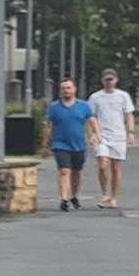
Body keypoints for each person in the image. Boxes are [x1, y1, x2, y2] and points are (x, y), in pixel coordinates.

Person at [86, 68, 137, 213]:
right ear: (102, 81)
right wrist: (92, 134)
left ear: (116, 80)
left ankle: (114, 197)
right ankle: (105, 193)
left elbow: (129, 115)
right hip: (102, 135)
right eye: (106, 80)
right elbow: (91, 117)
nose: (109, 82)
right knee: (103, 164)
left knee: (116, 167)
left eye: (111, 79)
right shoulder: (95, 97)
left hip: (118, 135)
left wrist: (131, 132)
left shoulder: (123, 96)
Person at [42, 78, 94, 210]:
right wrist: (45, 145)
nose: (66, 91)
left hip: (79, 145)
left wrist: (96, 134)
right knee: (64, 171)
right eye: (63, 88)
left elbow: (92, 121)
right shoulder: (54, 107)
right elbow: (49, 127)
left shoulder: (84, 106)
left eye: (68, 88)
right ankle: (64, 199)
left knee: (76, 172)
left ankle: (74, 196)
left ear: (74, 89)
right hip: (60, 144)